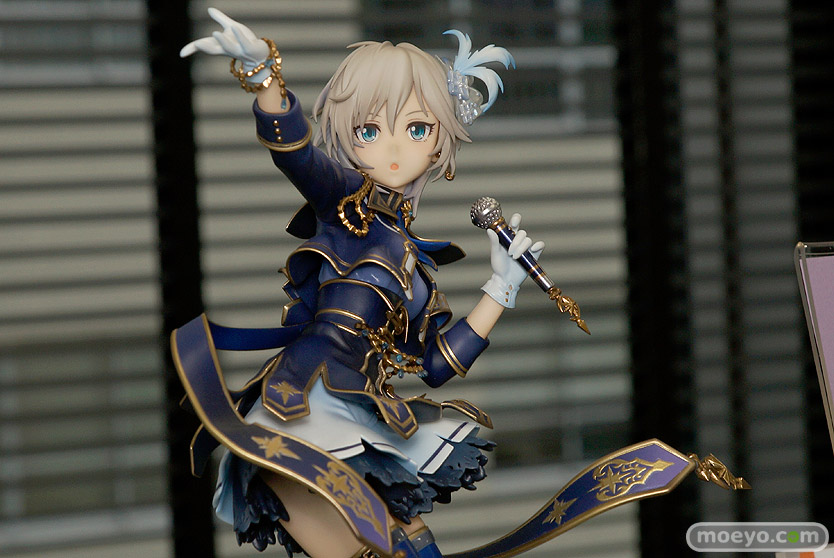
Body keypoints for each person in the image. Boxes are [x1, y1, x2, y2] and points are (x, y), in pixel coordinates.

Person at [177, 8, 543, 558]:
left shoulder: (417, 267)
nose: (393, 149)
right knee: (349, 516)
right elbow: (296, 155)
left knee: (402, 531)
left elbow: (437, 363)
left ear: (439, 142)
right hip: (308, 395)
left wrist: (501, 286)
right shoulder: (344, 205)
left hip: (366, 406)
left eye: (416, 129)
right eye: (369, 131)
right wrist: (265, 77)